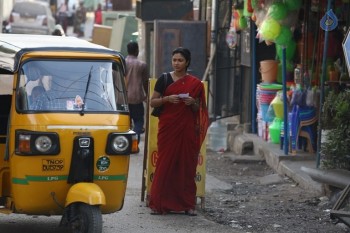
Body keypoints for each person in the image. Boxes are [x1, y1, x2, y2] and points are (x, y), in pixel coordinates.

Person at [148, 47, 209, 216]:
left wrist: (192, 102)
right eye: (174, 60)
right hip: (168, 128)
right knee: (165, 163)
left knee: (187, 165)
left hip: (187, 129)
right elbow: (153, 102)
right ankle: (159, 203)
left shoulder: (195, 84)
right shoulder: (164, 79)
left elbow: (199, 109)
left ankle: (188, 205)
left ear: (187, 62)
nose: (176, 63)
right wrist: (167, 99)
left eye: (180, 60)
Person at [125, 41, 149, 146]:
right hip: (137, 98)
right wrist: (147, 94)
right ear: (137, 50)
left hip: (124, 99)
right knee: (139, 121)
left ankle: (127, 143)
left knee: (126, 122)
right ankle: (135, 140)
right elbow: (145, 82)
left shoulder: (122, 63)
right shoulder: (142, 65)